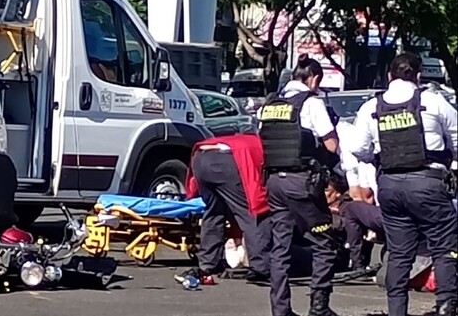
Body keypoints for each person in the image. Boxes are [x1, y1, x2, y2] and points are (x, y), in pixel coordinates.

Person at [350, 52, 457, 316]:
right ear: (419, 75)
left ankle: (397, 311)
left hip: (390, 185)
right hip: (428, 184)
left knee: (399, 253)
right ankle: (446, 307)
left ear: (389, 76)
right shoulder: (432, 100)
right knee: (445, 247)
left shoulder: (371, 107)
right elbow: (456, 136)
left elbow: (358, 150)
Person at [259, 55, 340, 316]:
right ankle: (319, 307)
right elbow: (332, 145)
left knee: (280, 247)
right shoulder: (311, 103)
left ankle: (280, 309)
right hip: (301, 182)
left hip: (274, 183)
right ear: (314, 78)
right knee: (324, 240)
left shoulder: (270, 104)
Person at [176, 134, 273, 285]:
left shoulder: (250, 139)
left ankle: (207, 263)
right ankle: (261, 267)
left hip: (200, 158)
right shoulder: (267, 149)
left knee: (214, 213)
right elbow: (257, 189)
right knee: (252, 213)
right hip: (226, 161)